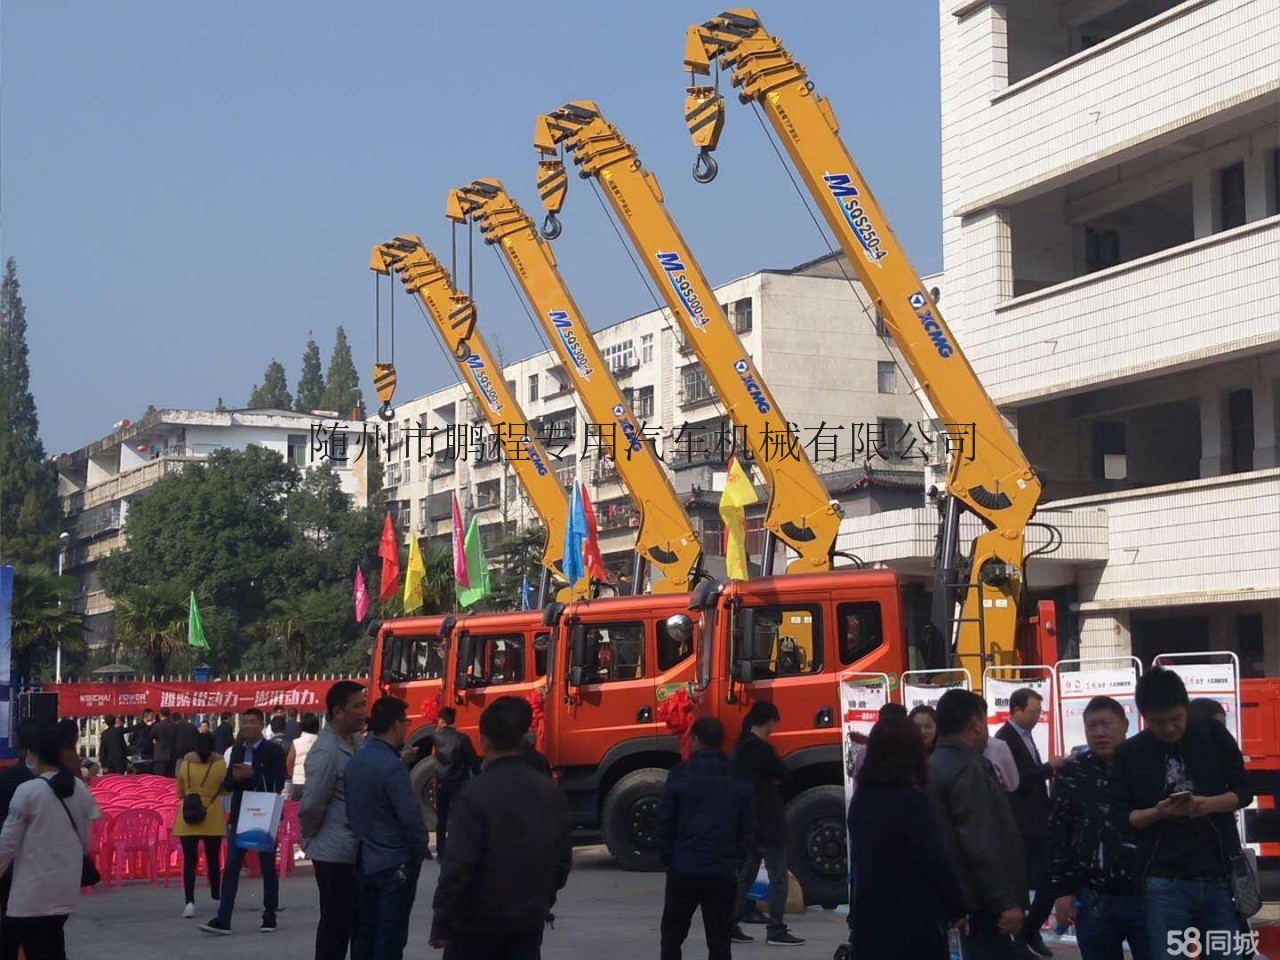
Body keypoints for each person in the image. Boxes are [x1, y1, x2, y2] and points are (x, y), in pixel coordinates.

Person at [1111, 667, 1252, 960]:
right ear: (1143, 718)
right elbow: (1124, 819)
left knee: (1227, 955)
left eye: (1176, 719)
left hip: (1218, 874)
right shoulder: (1130, 753)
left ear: (1186, 707)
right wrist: (1158, 812)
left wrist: (1209, 804)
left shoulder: (1211, 735)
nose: (1170, 728)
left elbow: (1244, 789)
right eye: (1158, 722)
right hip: (1163, 881)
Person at [429, 697, 572, 959]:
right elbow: (562, 859)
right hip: (527, 921)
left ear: (484, 740)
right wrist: (542, 899)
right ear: (522, 736)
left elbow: (458, 866)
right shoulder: (549, 791)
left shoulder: (475, 794)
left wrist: (443, 919)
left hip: (476, 926)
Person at [848, 716, 966, 960]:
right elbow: (932, 859)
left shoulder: (861, 800)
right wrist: (957, 906)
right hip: (912, 917)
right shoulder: (911, 801)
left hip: (870, 913)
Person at [1045, 696, 1150, 960]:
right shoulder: (1072, 773)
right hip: (1093, 897)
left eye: (1106, 724)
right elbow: (1058, 833)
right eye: (1091, 726)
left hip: (1147, 894)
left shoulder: (1144, 767)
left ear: (1125, 725)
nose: (1099, 733)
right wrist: (1063, 891)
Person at [927, 689, 1026, 960]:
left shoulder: (933, 764)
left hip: (955, 903)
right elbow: (982, 842)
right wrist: (1006, 902)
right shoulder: (967, 768)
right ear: (976, 722)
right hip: (982, 908)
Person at [655, 716, 753, 960]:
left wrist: (669, 859)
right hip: (722, 871)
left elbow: (664, 823)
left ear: (695, 739)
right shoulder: (738, 776)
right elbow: (748, 827)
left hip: (684, 868)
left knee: (672, 938)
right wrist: (737, 861)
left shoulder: (679, 774)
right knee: (719, 942)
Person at [0, 724, 101, 960]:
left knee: (28, 946)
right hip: (64, 888)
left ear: (34, 755)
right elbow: (87, 841)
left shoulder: (28, 791)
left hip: (31, 891)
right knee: (53, 946)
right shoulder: (78, 787)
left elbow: (7, 844)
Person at [346, 697, 431, 960]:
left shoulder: (355, 762)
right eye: (406, 722)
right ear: (395, 725)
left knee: (363, 934)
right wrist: (419, 851)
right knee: (389, 937)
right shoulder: (392, 766)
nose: (407, 727)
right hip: (394, 862)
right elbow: (409, 817)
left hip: (363, 859)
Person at [199, 707, 288, 936]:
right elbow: (230, 782)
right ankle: (223, 918)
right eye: (244, 722)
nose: (246, 726)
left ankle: (270, 916)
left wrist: (253, 775)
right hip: (241, 814)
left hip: (264, 813)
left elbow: (277, 783)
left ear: (261, 724)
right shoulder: (237, 750)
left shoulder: (274, 751)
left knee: (268, 868)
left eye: (251, 722)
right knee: (231, 868)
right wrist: (228, 781)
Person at [995, 688, 1064, 958]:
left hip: (1038, 821)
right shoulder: (1005, 739)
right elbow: (1016, 780)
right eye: (1034, 711)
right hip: (1021, 824)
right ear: (1017, 710)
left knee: (1049, 879)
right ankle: (1020, 939)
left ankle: (1029, 931)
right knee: (1024, 885)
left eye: (1039, 711)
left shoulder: (1025, 736)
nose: (1037, 716)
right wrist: (1049, 767)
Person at [301, 681, 367, 960]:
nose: (363, 711)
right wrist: (310, 837)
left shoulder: (356, 743)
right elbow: (312, 804)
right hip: (333, 851)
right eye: (357, 706)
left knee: (353, 922)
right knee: (335, 926)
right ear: (338, 711)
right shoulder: (325, 751)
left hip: (354, 848)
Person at [731, 702, 804, 946]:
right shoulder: (762, 749)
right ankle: (776, 928)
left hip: (749, 821)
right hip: (770, 821)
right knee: (778, 878)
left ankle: (730, 923)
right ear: (770, 720)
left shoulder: (740, 747)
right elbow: (785, 773)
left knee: (746, 875)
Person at [174, 732, 226, 919]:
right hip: (211, 813)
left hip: (187, 814)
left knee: (189, 861)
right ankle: (216, 894)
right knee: (213, 859)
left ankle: (189, 902)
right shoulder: (219, 764)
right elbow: (225, 788)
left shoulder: (185, 764)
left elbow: (179, 790)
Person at [0, 720, 40, 960]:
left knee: (8, 917)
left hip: (11, 858)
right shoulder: (48, 784)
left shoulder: (7, 778)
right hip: (37, 860)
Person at [432, 707, 479, 861]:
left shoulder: (436, 738)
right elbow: (472, 761)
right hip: (459, 783)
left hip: (442, 783)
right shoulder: (462, 739)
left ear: (441, 720)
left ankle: (440, 852)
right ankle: (457, 850)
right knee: (458, 818)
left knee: (442, 819)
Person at [285, 712, 321, 803]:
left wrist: (293, 775)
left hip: (299, 783)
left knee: (297, 810)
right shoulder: (321, 743)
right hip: (317, 783)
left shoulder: (297, 742)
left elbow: (290, 761)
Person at [151, 707, 178, 777]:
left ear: (160, 715)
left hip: (160, 756)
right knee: (170, 781)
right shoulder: (175, 726)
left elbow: (151, 736)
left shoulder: (157, 726)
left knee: (160, 780)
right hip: (172, 756)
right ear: (170, 715)